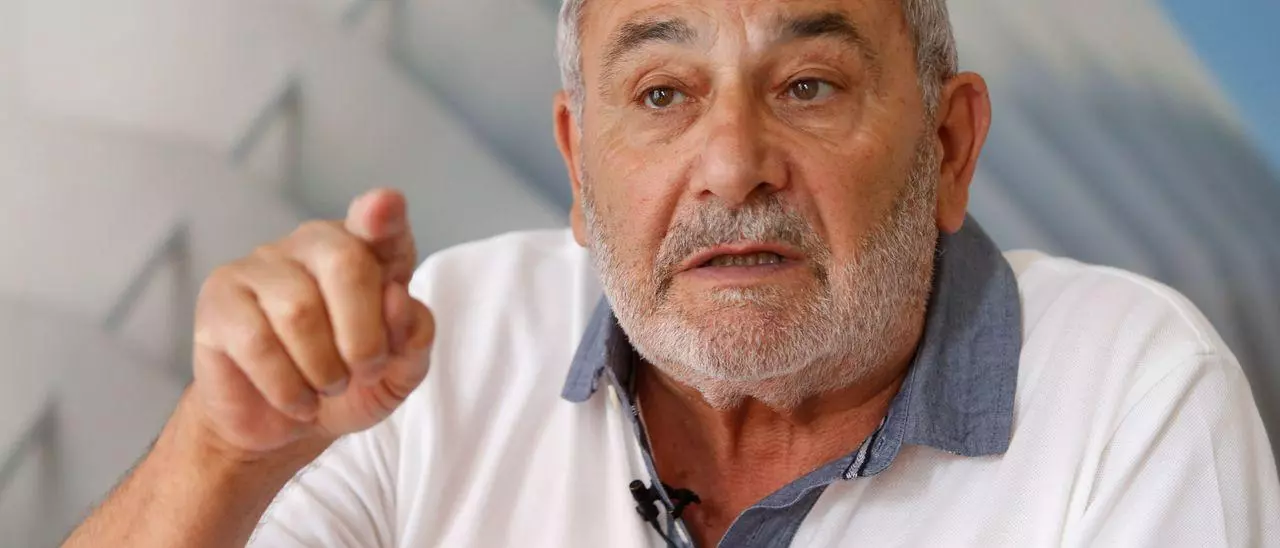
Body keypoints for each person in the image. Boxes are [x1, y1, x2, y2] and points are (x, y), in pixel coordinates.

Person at [64, 0, 1280, 546]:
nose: (731, 164)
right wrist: (222, 455)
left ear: (949, 147)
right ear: (576, 165)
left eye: (807, 85)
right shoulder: (435, 348)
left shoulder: (1132, 388)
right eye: (660, 94)